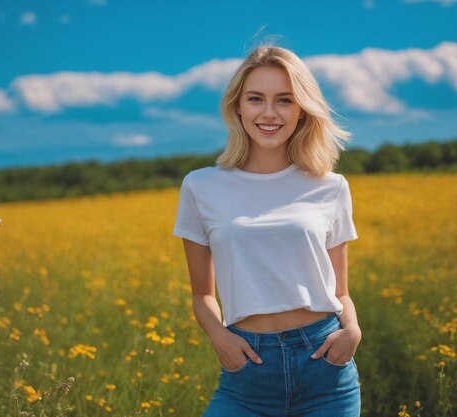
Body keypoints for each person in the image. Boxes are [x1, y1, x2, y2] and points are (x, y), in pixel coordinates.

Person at [173, 44, 362, 417]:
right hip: (247, 374)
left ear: (302, 110)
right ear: (237, 106)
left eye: (285, 100)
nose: (269, 113)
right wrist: (220, 338)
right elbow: (201, 295)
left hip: (326, 369)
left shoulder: (331, 186)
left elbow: (340, 291)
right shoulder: (200, 186)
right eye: (256, 98)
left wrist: (352, 332)